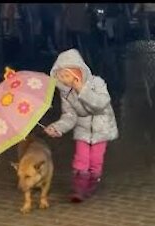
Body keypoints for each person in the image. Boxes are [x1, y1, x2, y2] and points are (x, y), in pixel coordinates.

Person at [44, 49, 119, 203]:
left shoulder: (97, 83)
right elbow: (69, 115)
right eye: (60, 76)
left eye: (66, 76)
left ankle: (92, 182)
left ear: (77, 73)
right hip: (82, 129)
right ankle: (78, 188)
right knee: (81, 158)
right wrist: (58, 127)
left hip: (101, 128)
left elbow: (101, 104)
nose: (63, 80)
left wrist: (82, 91)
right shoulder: (66, 93)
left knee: (96, 159)